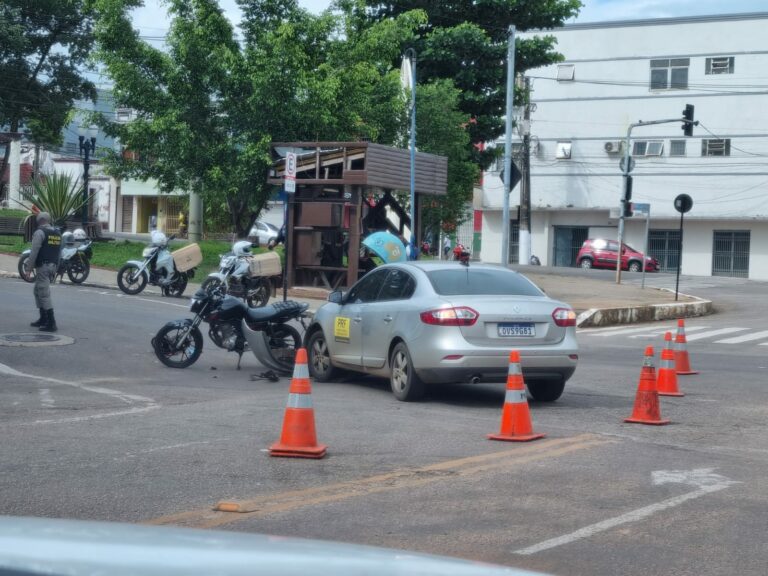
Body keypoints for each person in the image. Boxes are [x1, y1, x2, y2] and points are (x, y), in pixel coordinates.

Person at [26, 212, 62, 332]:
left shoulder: (40, 232)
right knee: (37, 290)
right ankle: (43, 318)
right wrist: (56, 269)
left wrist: (28, 268)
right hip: (52, 266)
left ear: (39, 221)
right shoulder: (57, 234)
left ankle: (51, 323)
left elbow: (34, 251)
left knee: (43, 293)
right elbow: (59, 253)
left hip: (43, 266)